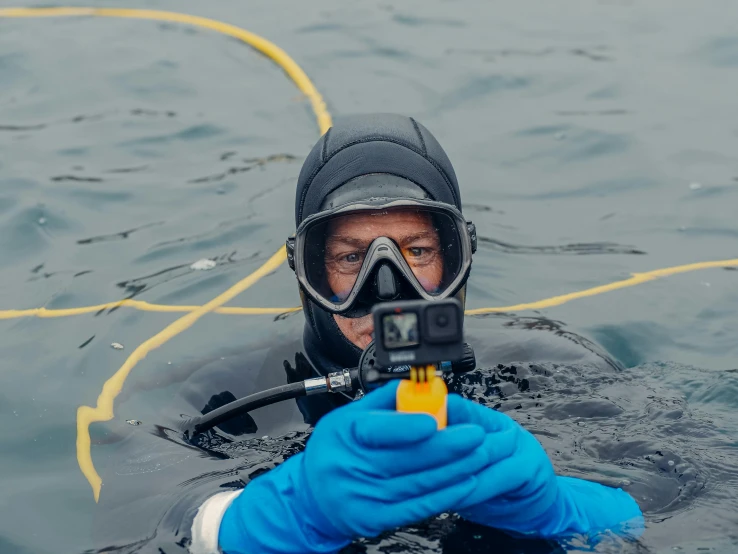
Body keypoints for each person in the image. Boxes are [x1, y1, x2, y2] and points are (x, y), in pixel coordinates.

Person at [181, 114, 644, 554]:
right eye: (349, 258)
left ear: (457, 259)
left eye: (417, 251)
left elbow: (677, 488)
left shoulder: (552, 370)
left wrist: (569, 509)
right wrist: (258, 521)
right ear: (307, 272)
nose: (387, 290)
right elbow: (147, 512)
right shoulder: (222, 403)